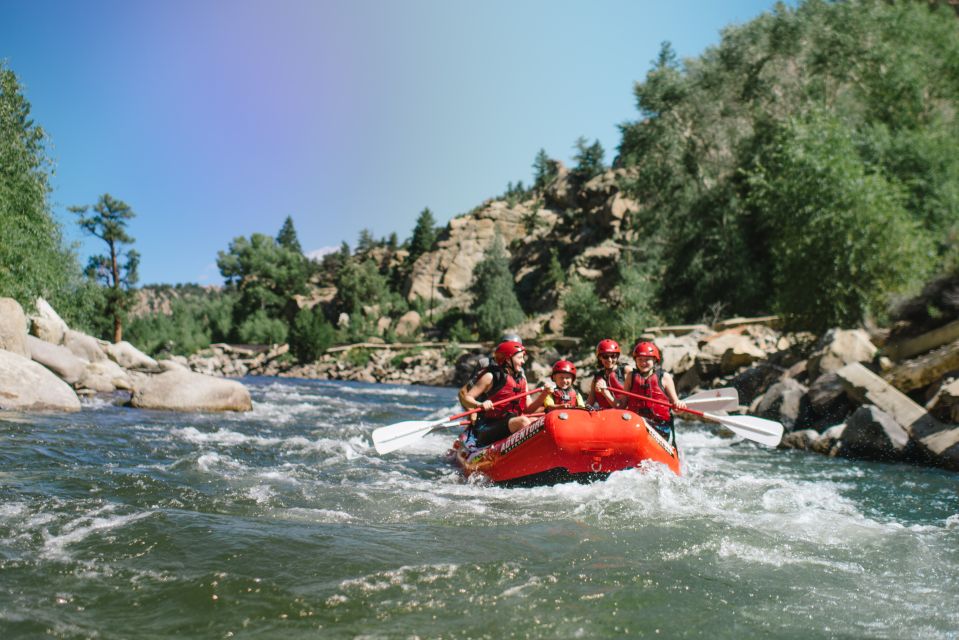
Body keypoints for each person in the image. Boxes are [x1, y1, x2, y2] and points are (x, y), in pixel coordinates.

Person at [460, 340, 532, 447]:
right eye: (520, 357)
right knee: (523, 422)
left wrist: (550, 403)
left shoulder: (521, 380)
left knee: (536, 420)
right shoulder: (490, 376)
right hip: (487, 427)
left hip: (509, 423)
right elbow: (466, 398)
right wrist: (479, 405)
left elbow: (529, 408)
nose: (523, 362)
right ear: (507, 359)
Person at [619, 341, 687, 443]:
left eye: (647, 360)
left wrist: (680, 405)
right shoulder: (631, 377)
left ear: (655, 360)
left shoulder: (664, 378)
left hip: (660, 427)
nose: (643, 363)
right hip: (636, 425)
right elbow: (622, 404)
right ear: (635, 360)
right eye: (640, 359)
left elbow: (676, 408)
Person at [586, 339, 630, 409]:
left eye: (613, 356)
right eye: (605, 356)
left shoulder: (626, 371)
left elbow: (621, 406)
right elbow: (588, 404)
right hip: (604, 417)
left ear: (617, 356)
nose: (609, 360)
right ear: (600, 357)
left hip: (624, 415)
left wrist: (605, 392)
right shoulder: (597, 378)